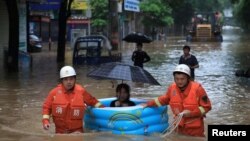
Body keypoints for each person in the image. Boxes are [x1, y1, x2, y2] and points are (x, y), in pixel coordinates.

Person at [141, 64, 212, 137]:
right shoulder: (172, 88)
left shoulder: (198, 89)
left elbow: (207, 107)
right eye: (177, 79)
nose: (179, 81)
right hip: (178, 128)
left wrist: (191, 113)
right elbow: (163, 99)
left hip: (194, 130)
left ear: (188, 78)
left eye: (182, 79)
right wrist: (149, 104)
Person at [42, 66, 104, 134]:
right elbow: (46, 108)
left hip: (77, 132)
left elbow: (93, 101)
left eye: (71, 79)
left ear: (75, 79)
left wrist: (104, 109)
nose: (69, 82)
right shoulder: (54, 93)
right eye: (66, 79)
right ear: (62, 81)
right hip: (60, 132)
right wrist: (45, 121)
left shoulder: (81, 91)